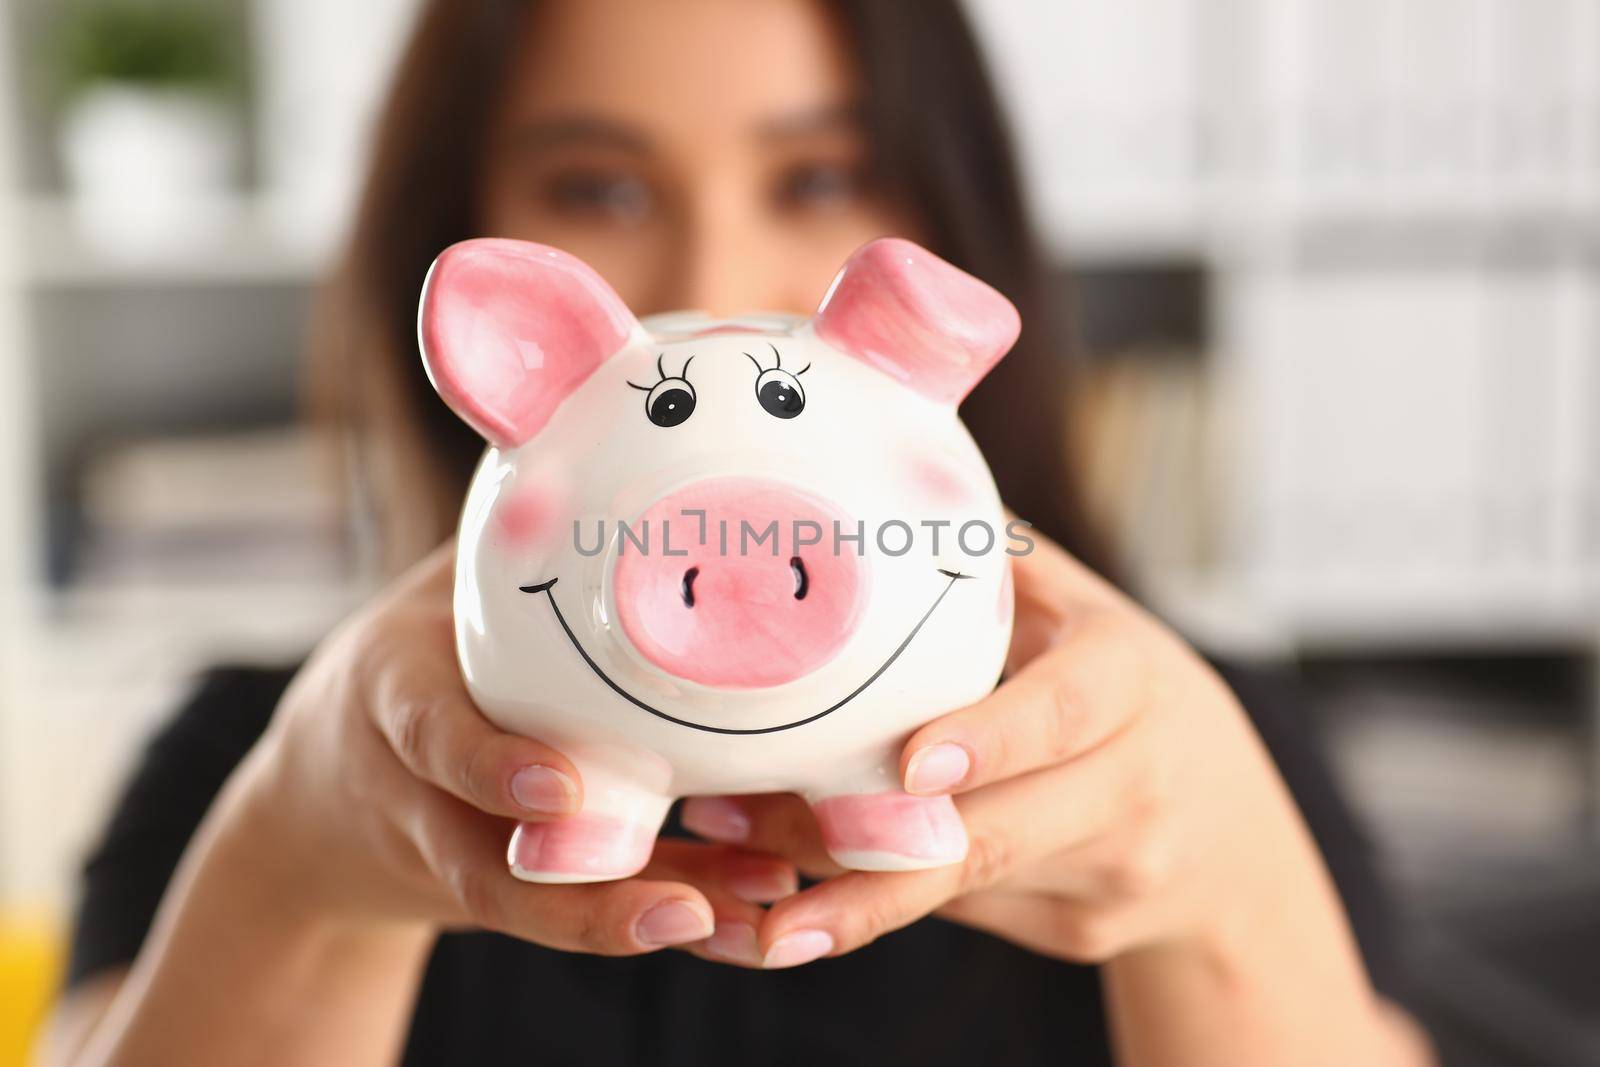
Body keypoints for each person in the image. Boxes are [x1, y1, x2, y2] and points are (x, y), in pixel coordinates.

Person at [40, 1, 1435, 1064]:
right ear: (494, 291)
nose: (712, 287)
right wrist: (297, 877)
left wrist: (1224, 902)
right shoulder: (247, 764)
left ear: (945, 235)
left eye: (818, 179)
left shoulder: (1202, 746)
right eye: (600, 189)